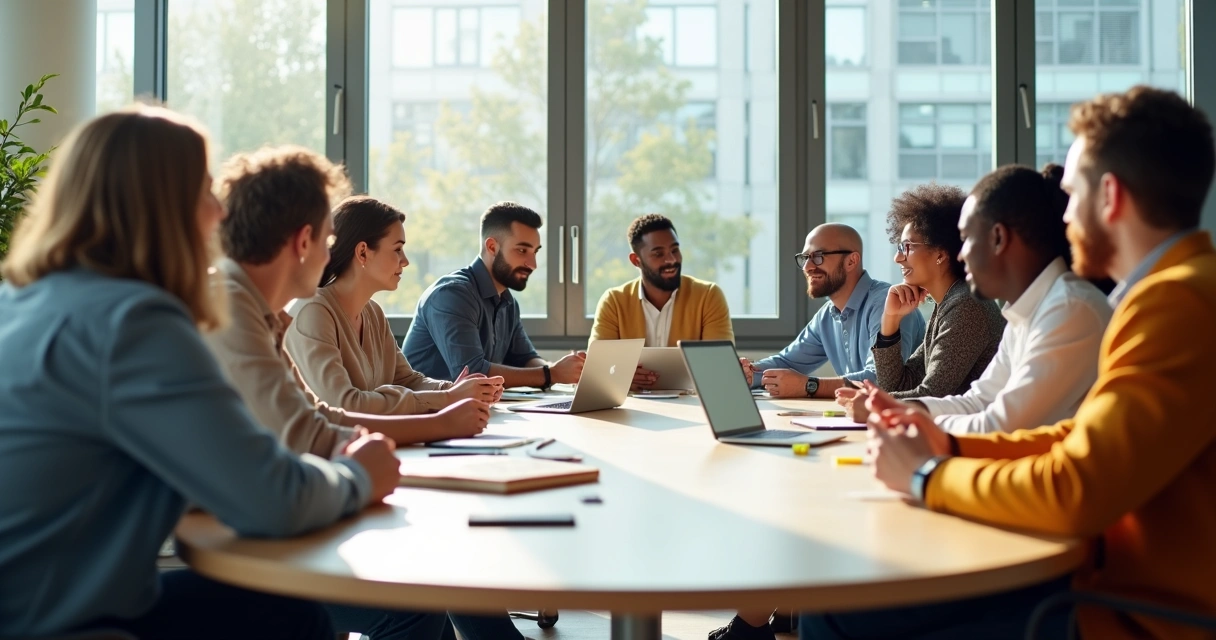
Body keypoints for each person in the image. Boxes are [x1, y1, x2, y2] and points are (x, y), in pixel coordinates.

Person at [0, 106, 440, 639]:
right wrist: (358, 477)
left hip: (30, 600)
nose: (217, 212)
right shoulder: (134, 322)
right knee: (299, 617)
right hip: (56, 622)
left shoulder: (25, 300)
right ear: (162, 207)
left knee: (288, 614)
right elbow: (271, 501)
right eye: (204, 191)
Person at [803, 86, 1216, 640]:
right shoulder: (1169, 293)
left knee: (832, 608)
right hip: (1101, 578)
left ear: (1110, 196)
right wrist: (940, 442)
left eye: (1071, 195)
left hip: (1123, 608)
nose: (1063, 216)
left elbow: (1077, 486)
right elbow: (1074, 438)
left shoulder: (1177, 303)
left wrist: (929, 475)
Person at [204, 147, 491, 453]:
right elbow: (312, 432)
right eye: (328, 241)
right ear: (303, 241)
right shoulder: (235, 309)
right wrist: (442, 419)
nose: (331, 254)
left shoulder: (261, 313)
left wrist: (449, 403)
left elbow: (320, 419)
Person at [838, 165, 1112, 430]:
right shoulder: (1026, 313)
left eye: (968, 238)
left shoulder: (1068, 310)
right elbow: (979, 401)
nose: (961, 253)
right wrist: (894, 407)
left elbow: (1000, 422)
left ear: (998, 238)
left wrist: (894, 411)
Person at [286, 196, 504, 414]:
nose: (405, 260)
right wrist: (448, 397)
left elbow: (407, 380)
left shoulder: (373, 312)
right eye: (397, 249)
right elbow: (344, 405)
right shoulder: (312, 311)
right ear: (363, 252)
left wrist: (458, 389)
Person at [403, 202, 585, 388]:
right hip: (424, 411)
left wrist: (565, 370)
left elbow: (525, 359)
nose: (532, 264)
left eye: (535, 252)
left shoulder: (508, 303)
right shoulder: (452, 294)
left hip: (470, 409)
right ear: (492, 247)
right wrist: (551, 374)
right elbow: (472, 373)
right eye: (522, 250)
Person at [739, 223, 926, 399]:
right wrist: (749, 373)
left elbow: (881, 380)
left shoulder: (890, 304)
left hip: (905, 424)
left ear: (851, 261)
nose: (808, 267)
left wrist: (809, 386)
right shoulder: (828, 315)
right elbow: (787, 362)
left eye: (818, 256)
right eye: (805, 258)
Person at [865, 184, 1004, 399]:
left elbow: (932, 396)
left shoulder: (966, 305)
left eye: (906, 247)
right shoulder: (948, 302)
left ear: (940, 253)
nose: (898, 257)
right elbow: (898, 385)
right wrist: (890, 320)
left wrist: (870, 402)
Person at [591, 213, 734, 389]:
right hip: (632, 408)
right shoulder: (614, 301)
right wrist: (622, 375)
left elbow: (721, 367)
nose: (671, 260)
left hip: (692, 407)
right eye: (658, 254)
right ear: (636, 261)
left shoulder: (708, 296)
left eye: (674, 250)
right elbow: (597, 369)